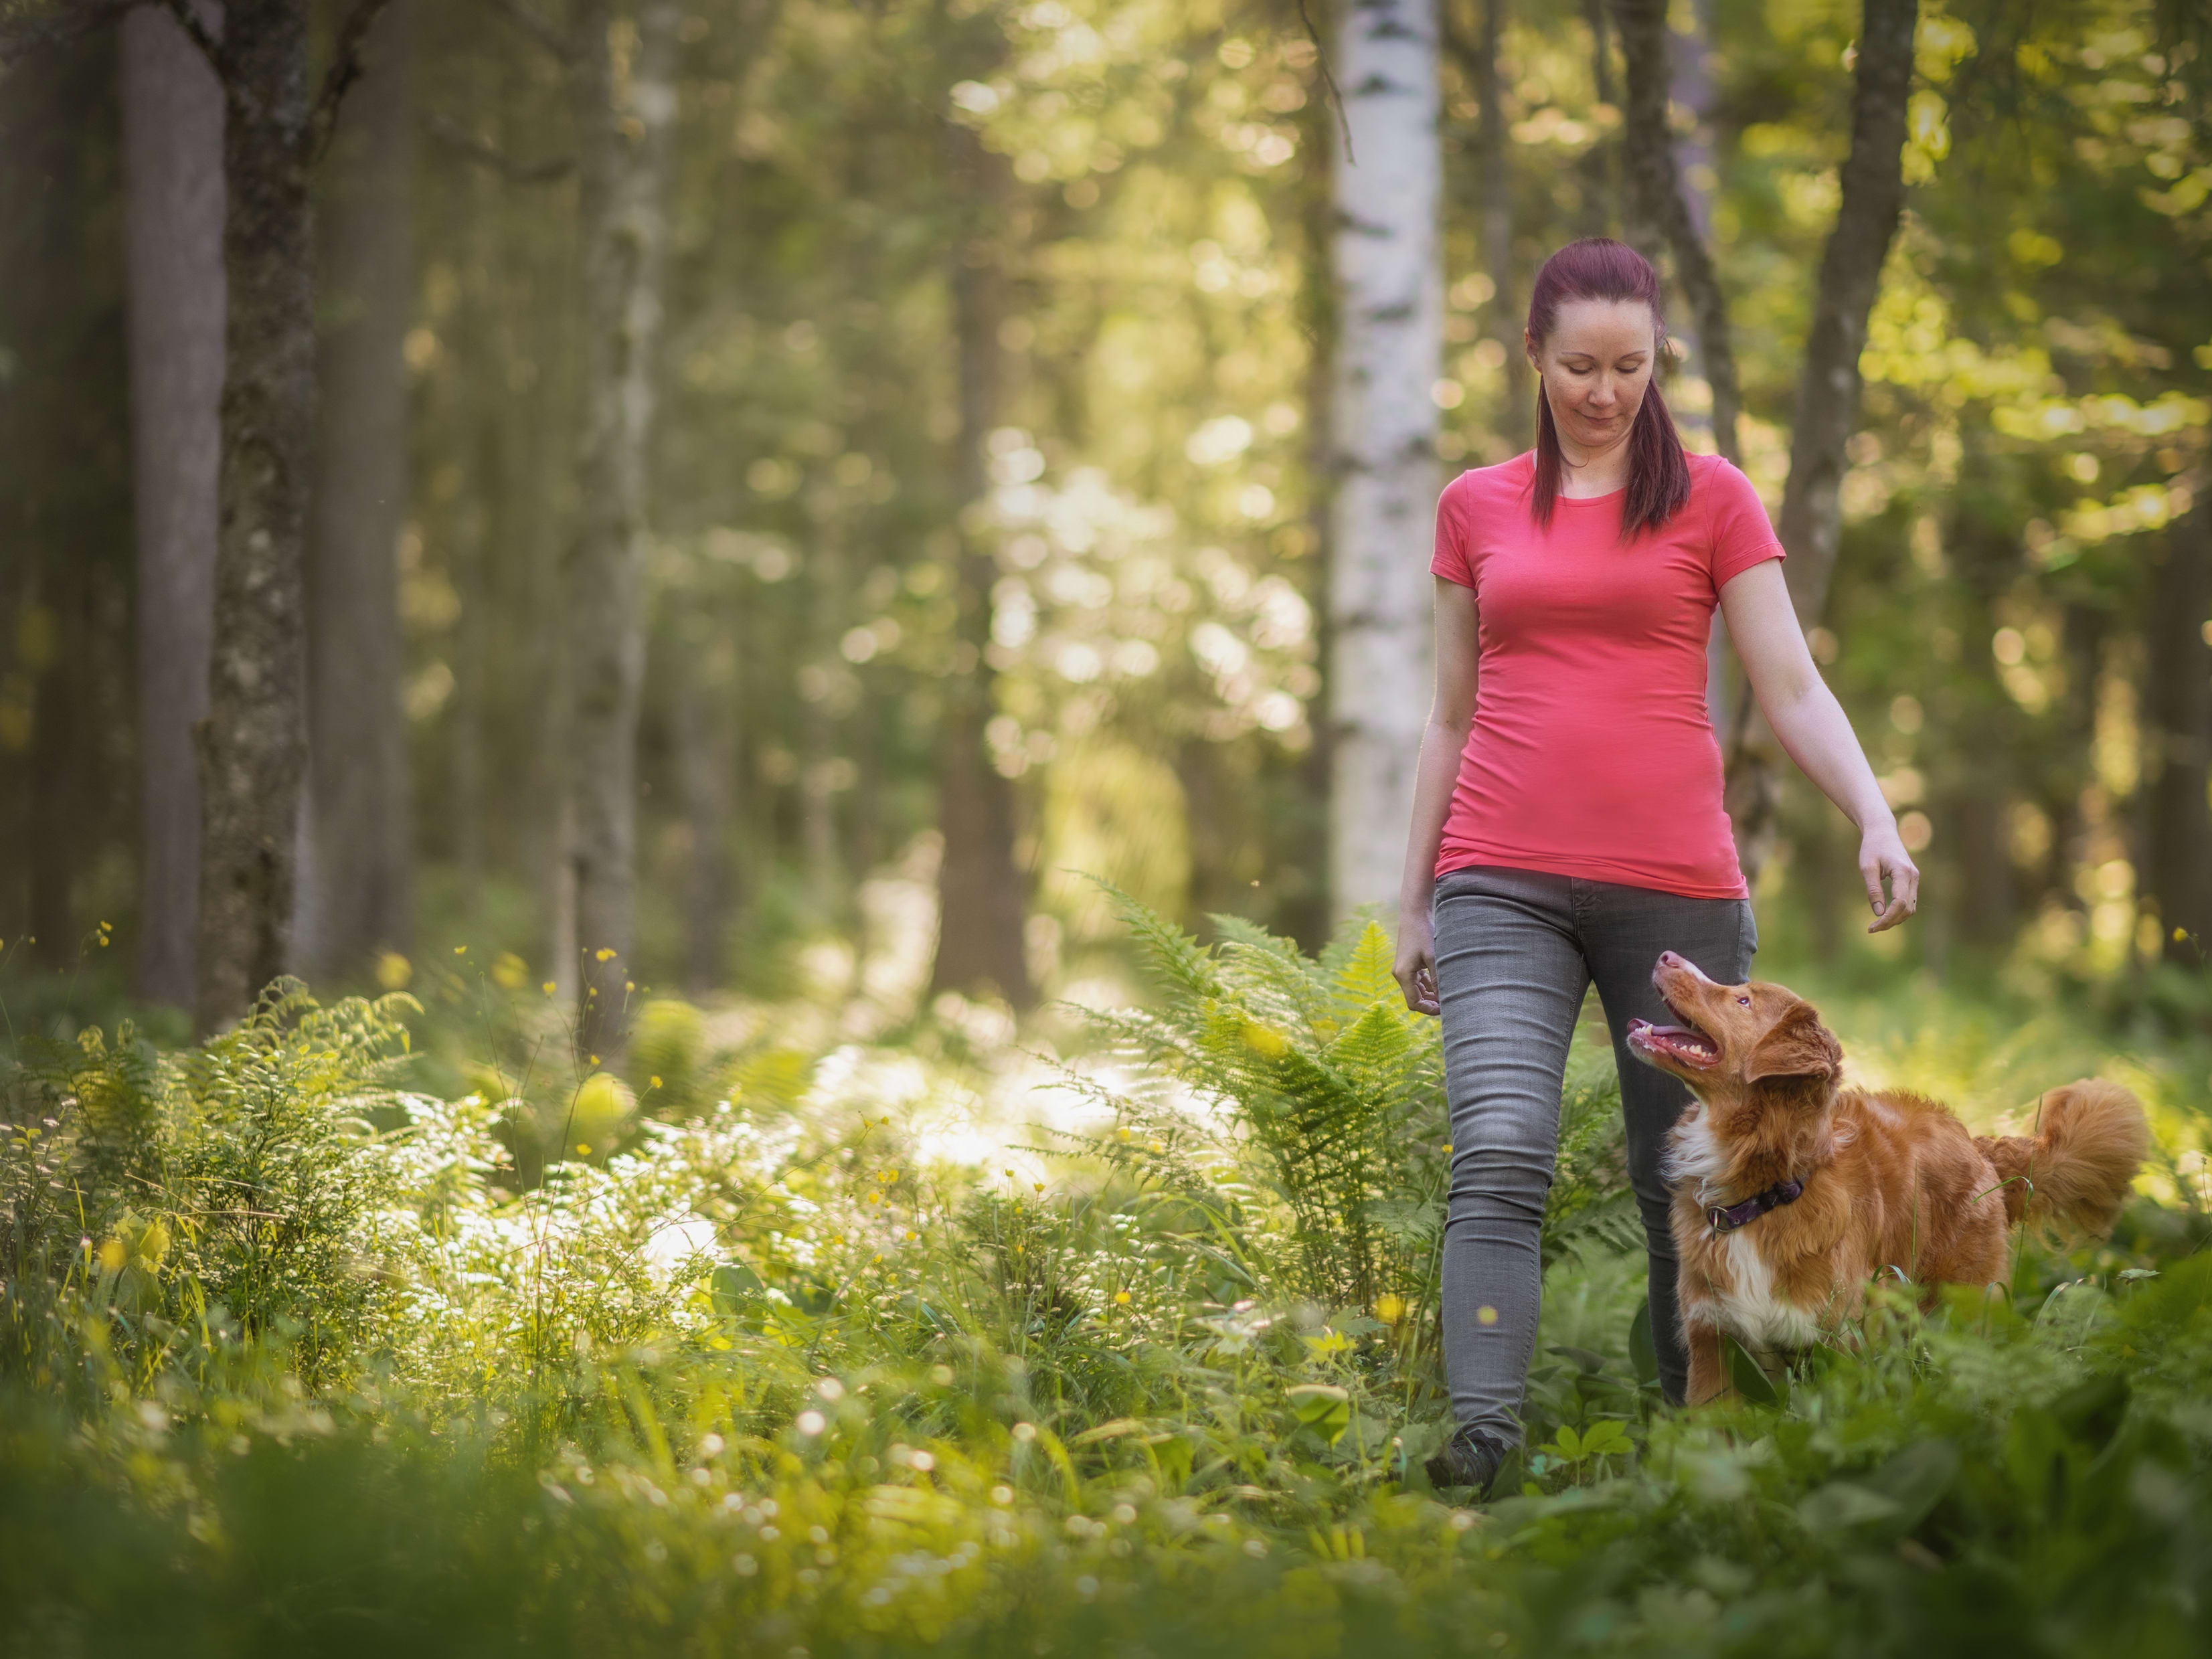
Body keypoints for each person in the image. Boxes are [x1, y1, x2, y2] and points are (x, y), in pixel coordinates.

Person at [1391, 238, 1918, 1495]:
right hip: (1498, 878)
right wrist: (1409, 895)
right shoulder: (1475, 504)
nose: (1603, 390)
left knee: (1676, 1182)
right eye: (1578, 364)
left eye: (1630, 365)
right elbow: (1448, 715)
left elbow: (1787, 683)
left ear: (1655, 362)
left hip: (1674, 896)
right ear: (1531, 357)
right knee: (1503, 1146)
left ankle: (1687, 1461)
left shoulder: (1713, 498)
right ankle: (1485, 1447)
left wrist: (1873, 814)